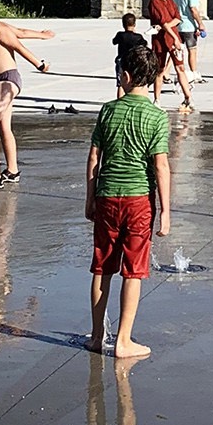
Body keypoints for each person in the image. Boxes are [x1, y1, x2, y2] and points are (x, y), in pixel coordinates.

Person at [85, 46, 171, 359]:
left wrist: (89, 198)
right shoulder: (158, 116)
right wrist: (165, 213)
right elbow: (160, 165)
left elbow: (95, 157)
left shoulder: (108, 109)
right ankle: (123, 340)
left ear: (125, 76)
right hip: (139, 201)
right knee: (133, 270)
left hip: (107, 197)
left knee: (102, 267)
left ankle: (97, 336)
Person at [0, 0, 55, 192]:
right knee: (2, 128)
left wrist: (39, 64)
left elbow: (18, 45)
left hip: (6, 81)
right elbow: (21, 32)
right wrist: (42, 35)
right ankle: (12, 170)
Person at [147, 0, 194, 113]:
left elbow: (177, 19)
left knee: (180, 68)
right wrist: (174, 35)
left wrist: (166, 26)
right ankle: (157, 99)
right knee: (160, 70)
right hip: (161, 40)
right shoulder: (154, 2)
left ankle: (188, 97)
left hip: (172, 38)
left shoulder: (170, 2)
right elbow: (164, 22)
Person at [172, 0, 208, 84]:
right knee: (192, 50)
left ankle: (168, 73)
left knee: (176, 50)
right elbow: (193, 9)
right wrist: (200, 24)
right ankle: (194, 73)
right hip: (188, 26)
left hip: (177, 25)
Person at [111, 13, 148, 100]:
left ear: (123, 24)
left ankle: (120, 100)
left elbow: (114, 41)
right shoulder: (138, 37)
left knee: (120, 83)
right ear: (135, 24)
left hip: (121, 60)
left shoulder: (120, 35)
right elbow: (145, 44)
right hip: (133, 60)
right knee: (135, 81)